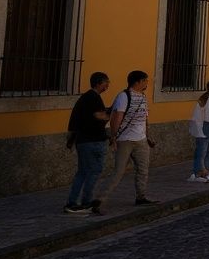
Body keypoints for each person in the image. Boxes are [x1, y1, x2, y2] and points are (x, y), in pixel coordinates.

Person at [97, 70, 158, 213]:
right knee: (118, 172)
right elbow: (116, 118)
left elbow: (145, 119)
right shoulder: (124, 96)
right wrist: (114, 138)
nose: (147, 83)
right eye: (145, 80)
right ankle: (99, 200)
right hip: (125, 140)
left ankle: (141, 197)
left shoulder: (143, 97)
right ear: (137, 82)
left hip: (141, 140)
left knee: (143, 170)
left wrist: (148, 136)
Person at [64, 71, 110, 214]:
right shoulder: (93, 98)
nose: (108, 85)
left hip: (83, 141)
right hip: (93, 141)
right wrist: (112, 115)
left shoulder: (84, 98)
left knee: (83, 172)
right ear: (99, 83)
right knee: (94, 171)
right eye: (106, 82)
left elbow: (74, 121)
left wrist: (71, 140)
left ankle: (73, 202)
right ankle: (86, 202)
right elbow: (99, 115)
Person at [188, 80, 209, 183]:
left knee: (208, 153)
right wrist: (200, 131)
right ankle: (201, 173)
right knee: (201, 152)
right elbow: (198, 116)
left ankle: (206, 172)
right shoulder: (204, 98)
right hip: (206, 126)